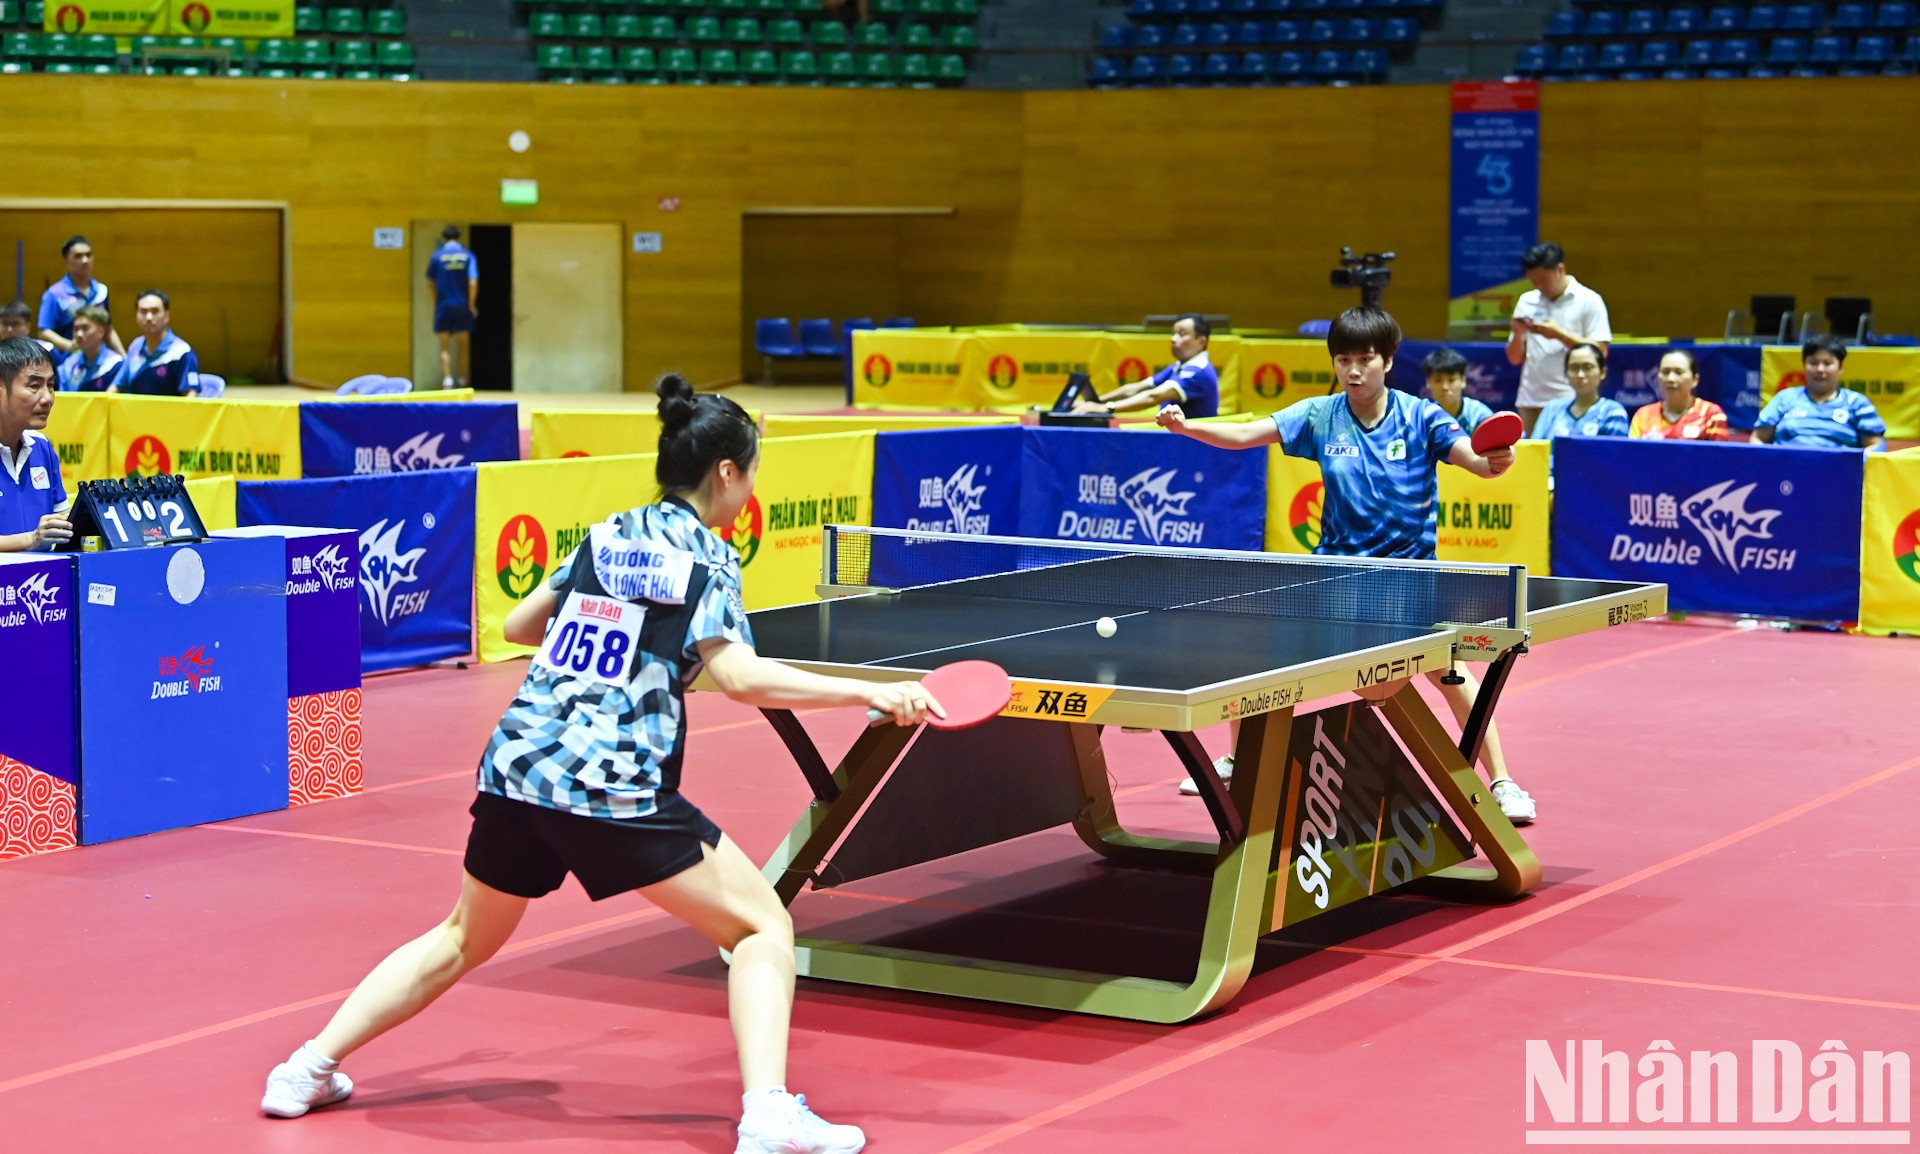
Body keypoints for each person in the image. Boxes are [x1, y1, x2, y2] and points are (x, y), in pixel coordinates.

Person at [261, 373, 936, 1154]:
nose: (750, 491)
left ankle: (305, 1069)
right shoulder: (708, 560)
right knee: (762, 927)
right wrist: (872, 693)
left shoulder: (609, 533)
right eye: (751, 474)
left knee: (459, 938)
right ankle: (768, 1114)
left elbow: (519, 624)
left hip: (517, 767)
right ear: (726, 473)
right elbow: (740, 676)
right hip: (611, 783)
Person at [1156, 307, 1537, 824]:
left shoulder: (1422, 416)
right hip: (1334, 578)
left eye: (1365, 359)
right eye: (1343, 360)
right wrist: (1187, 429)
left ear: (1388, 360)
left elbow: (1472, 458)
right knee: (1261, 665)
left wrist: (1495, 462)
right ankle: (1238, 758)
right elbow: (1247, 435)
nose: (1354, 371)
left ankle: (1503, 780)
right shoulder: (1319, 416)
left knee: (1452, 674)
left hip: (1409, 580)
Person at [1506, 242, 1612, 435]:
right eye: (1533, 281)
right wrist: (1518, 334)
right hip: (1531, 399)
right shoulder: (1526, 301)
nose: (1538, 286)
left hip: (1571, 397)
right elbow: (1514, 358)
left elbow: (1601, 352)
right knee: (1532, 458)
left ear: (1560, 270)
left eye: (1543, 280)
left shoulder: (1589, 300)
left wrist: (1560, 335)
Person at [0, 338, 72, 554]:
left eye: (50, 386)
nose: (47, 398)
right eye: (34, 386)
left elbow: (63, 519)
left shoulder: (42, 447)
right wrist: (32, 539)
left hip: (41, 584)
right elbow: (38, 537)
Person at [1752, 334, 1885, 450]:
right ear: (1804, 366)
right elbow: (1757, 438)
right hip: (1786, 473)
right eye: (1813, 363)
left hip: (1840, 474)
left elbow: (1876, 445)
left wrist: (1854, 466)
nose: (1820, 369)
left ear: (1840, 368)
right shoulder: (1785, 398)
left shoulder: (1857, 403)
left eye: (1827, 363)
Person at [1074, 314, 1219, 418]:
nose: (1173, 339)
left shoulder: (1197, 371)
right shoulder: (1179, 366)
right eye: (1173, 333)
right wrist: (1096, 402)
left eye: (1182, 334)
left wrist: (1105, 408)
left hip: (1193, 446)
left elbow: (1154, 396)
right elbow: (1135, 388)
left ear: (1201, 341)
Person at [38, 235, 124, 356]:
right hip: (67, 362)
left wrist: (124, 357)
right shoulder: (54, 294)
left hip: (98, 361)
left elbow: (108, 329)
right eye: (78, 256)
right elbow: (44, 331)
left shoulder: (101, 291)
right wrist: (69, 345)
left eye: (88, 255)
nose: (85, 260)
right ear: (66, 262)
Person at [1529, 342, 1629, 440]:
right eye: (1574, 368)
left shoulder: (1613, 412)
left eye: (1588, 367)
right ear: (1565, 373)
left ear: (1603, 372)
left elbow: (1614, 454)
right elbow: (1535, 450)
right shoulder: (1552, 409)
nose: (1580, 375)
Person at [111, 290, 201, 397]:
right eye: (143, 312)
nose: (149, 317)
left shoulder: (182, 352)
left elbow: (191, 395)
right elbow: (117, 386)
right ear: (136, 316)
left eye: (155, 311)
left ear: (166, 316)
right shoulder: (136, 345)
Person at [1629, 350, 1727, 441]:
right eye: (1665, 372)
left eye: (1679, 372)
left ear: (1695, 380)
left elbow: (1719, 458)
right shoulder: (1643, 415)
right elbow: (1630, 455)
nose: (1671, 378)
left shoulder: (1711, 415)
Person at [426, 225, 479, 389]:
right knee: (463, 344)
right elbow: (473, 281)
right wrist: (471, 304)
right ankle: (462, 379)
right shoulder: (468, 256)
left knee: (444, 344)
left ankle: (447, 379)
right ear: (458, 238)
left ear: (444, 239)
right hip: (463, 305)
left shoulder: (437, 256)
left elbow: (430, 282)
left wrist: (436, 301)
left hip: (444, 305)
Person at [1421, 346, 1492, 433]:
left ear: (1463, 381)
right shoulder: (1425, 418)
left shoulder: (1480, 416)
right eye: (1438, 380)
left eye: (1451, 380)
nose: (1445, 387)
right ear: (1428, 382)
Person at [56, 305, 123, 393]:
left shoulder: (115, 364)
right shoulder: (68, 365)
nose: (79, 334)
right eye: (76, 329)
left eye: (85, 328)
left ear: (101, 331)